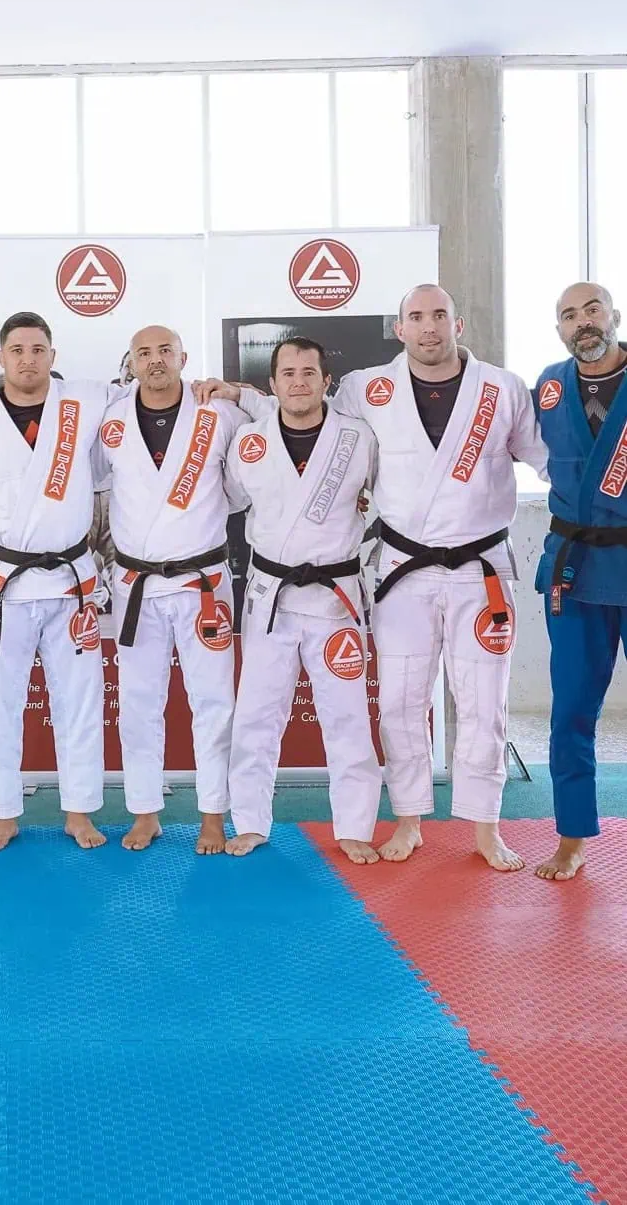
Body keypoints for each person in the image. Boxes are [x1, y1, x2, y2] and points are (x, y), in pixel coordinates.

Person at [202, 284, 544, 870]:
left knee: (482, 702)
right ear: (400, 328)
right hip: (392, 573)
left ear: (458, 324)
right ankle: (404, 820)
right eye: (417, 316)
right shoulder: (370, 389)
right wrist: (237, 393)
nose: (429, 326)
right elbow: (283, 416)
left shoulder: (501, 389)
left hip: (477, 568)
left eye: (440, 314)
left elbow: (545, 458)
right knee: (397, 702)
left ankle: (483, 826)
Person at [0, 312, 110, 850]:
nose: (28, 360)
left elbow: (150, 406)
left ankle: (80, 809)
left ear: (53, 356)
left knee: (80, 699)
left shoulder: (86, 402)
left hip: (71, 578)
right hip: (5, 583)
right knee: (1, 699)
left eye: (38, 350)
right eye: (17, 350)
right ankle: (1, 811)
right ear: (1, 357)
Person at [221, 338, 383, 863]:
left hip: (337, 599)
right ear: (272, 385)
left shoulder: (358, 438)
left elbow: (389, 503)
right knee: (256, 716)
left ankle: (355, 825)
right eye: (287, 372)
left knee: (348, 717)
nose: (298, 381)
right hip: (270, 597)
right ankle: (249, 821)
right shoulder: (249, 442)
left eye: (308, 372)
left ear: (325, 381)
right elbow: (229, 500)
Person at [97, 325, 244, 852]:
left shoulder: (220, 414)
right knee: (138, 701)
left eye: (165, 351)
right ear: (131, 361)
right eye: (144, 353)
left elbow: (244, 489)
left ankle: (212, 814)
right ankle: (145, 811)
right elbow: (91, 485)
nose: (155, 360)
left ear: (184, 357)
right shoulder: (109, 420)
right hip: (136, 581)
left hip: (202, 582)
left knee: (213, 702)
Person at [532, 282, 627, 880]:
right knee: (570, 709)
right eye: (569, 315)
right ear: (560, 329)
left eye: (592, 309)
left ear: (614, 316)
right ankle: (571, 837)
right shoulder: (546, 388)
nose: (582, 322)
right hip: (575, 569)